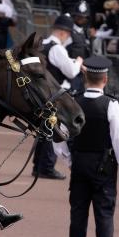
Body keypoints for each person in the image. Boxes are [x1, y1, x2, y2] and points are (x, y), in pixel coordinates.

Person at [54, 56, 119, 237]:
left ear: (84, 76)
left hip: (79, 163)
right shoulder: (111, 104)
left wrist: (69, 160)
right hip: (103, 166)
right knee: (104, 215)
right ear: (105, 79)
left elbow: (59, 136)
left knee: (78, 214)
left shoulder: (73, 101)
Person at [35, 14, 82, 180]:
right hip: (56, 94)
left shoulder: (42, 44)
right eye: (68, 34)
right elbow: (71, 71)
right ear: (63, 33)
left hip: (42, 92)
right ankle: (47, 166)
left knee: (43, 130)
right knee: (53, 130)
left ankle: (38, 166)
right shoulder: (57, 48)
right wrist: (78, 61)